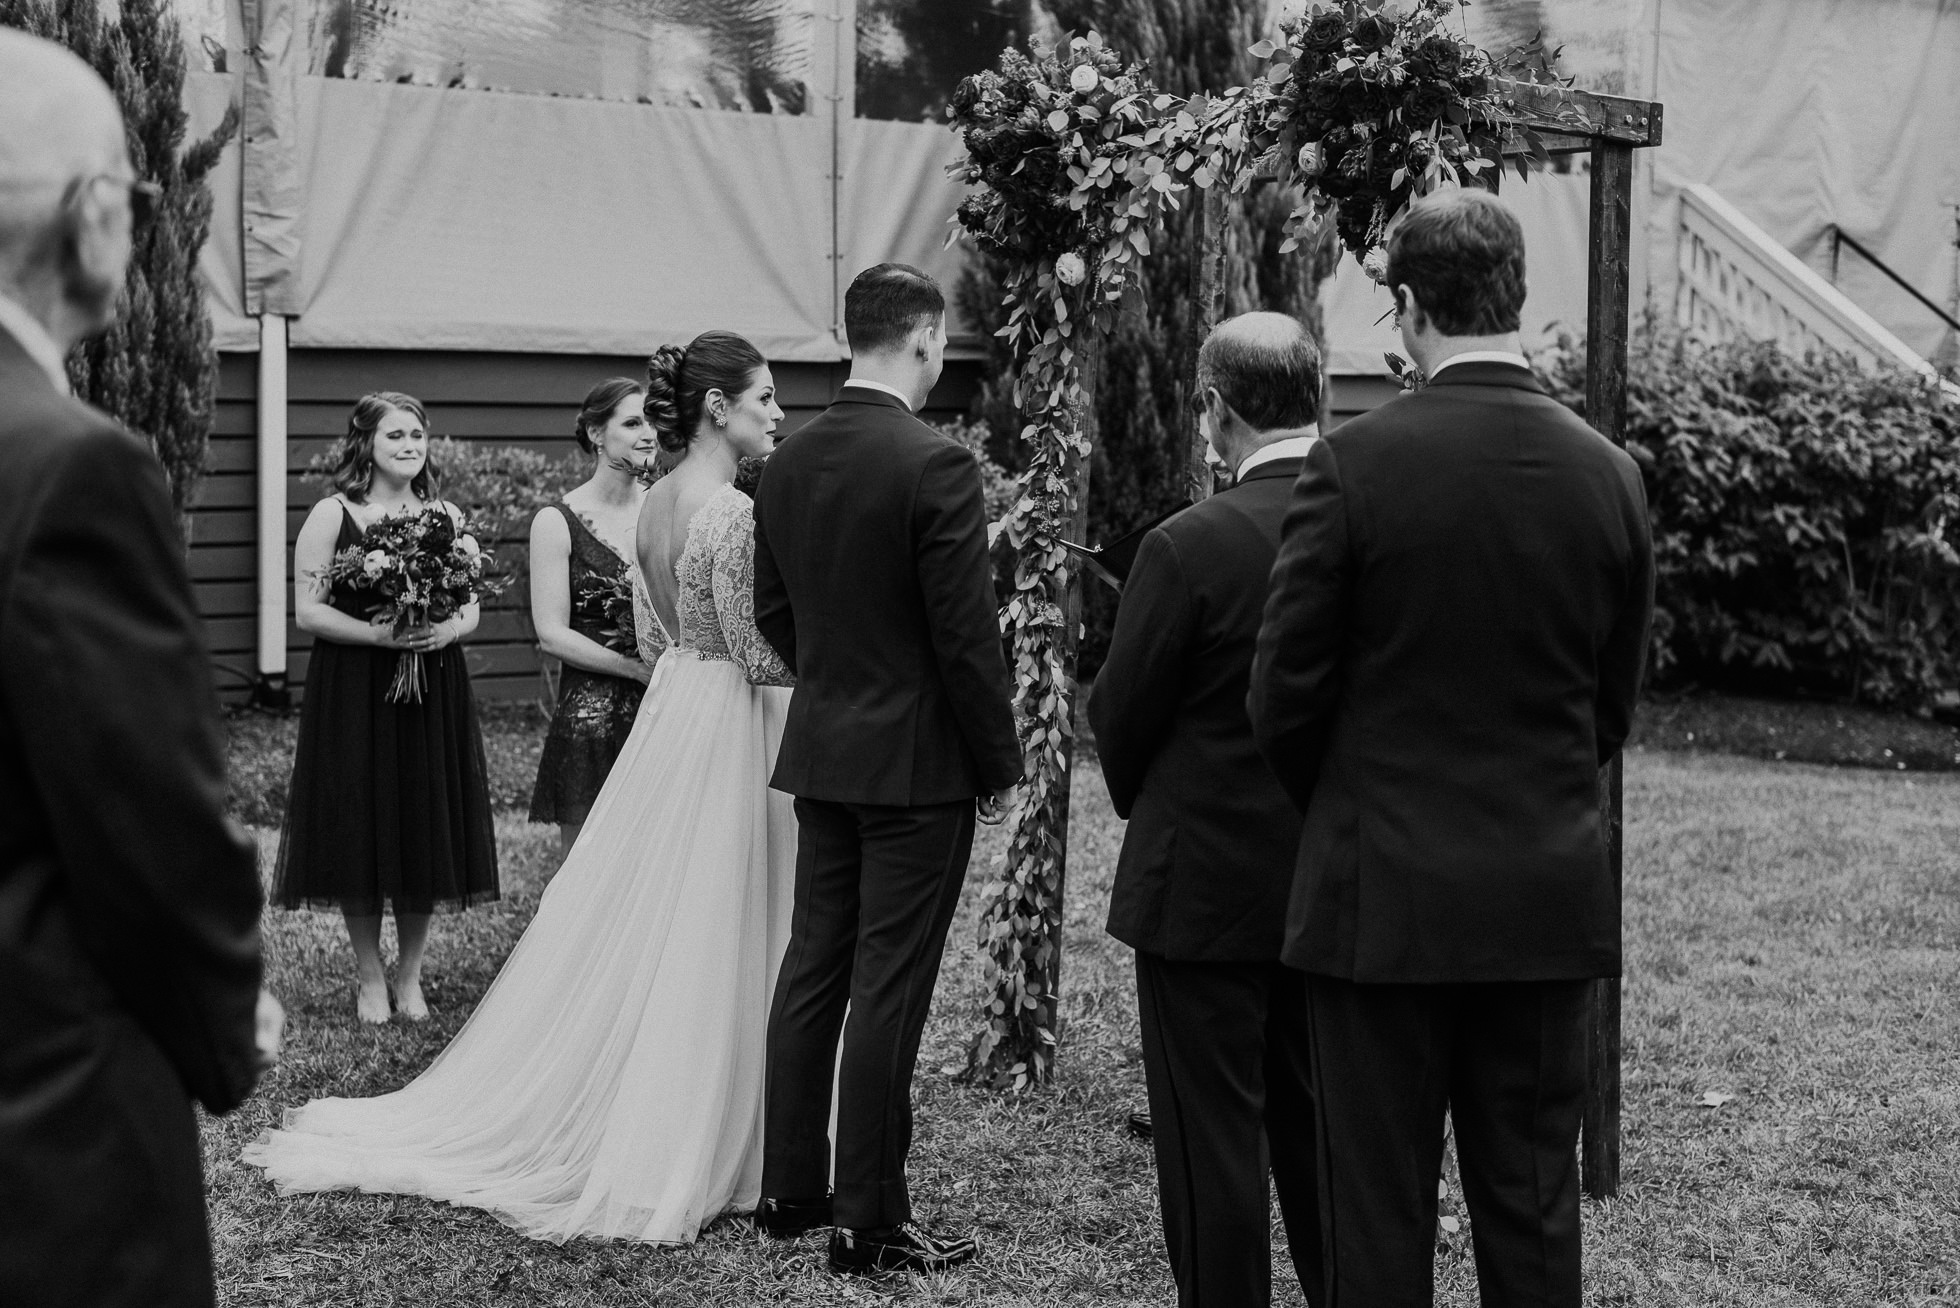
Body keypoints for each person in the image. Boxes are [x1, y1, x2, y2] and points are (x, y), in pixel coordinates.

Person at [244, 330, 798, 1245]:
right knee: (721, 911)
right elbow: (750, 649)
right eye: (767, 397)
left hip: (673, 711)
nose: (777, 412)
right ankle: (706, 1119)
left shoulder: (657, 501)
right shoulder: (729, 510)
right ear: (718, 406)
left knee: (666, 909)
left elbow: (660, 642)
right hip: (730, 714)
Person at [1248, 188, 1655, 1308]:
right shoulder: (1610, 477)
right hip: (1538, 897)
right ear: (1516, 298)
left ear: (1412, 306)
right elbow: (1609, 711)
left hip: (1378, 901)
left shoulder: (1353, 468)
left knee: (1374, 1210)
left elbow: (1281, 694)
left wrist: (1342, 804)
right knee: (1529, 1205)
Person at [0, 30, 280, 1308]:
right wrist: (227, 1028)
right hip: (45, 1132)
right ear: (93, 213)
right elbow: (150, 823)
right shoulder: (71, 468)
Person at [753, 263, 1023, 1275]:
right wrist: (997, 763)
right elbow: (965, 640)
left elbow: (775, 613)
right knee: (889, 988)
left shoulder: (785, 461)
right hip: (914, 770)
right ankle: (864, 1220)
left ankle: (790, 1190)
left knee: (814, 965)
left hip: (824, 749)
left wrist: (833, 681)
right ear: (925, 339)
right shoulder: (934, 465)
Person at [1088, 312, 1325, 1308]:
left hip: (1200, 893)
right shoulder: (1377, 528)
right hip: (1333, 881)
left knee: (1209, 1139)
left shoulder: (1187, 545)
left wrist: (1163, 805)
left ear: (1213, 411)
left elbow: (1119, 711)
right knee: (1328, 1136)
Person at [275, 392, 500, 1023]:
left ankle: (410, 976)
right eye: (395, 434)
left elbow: (471, 605)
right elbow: (308, 611)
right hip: (354, 686)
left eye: (418, 434)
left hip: (431, 682)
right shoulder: (333, 514)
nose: (409, 444)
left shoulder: (446, 515)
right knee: (361, 822)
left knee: (422, 819)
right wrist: (379, 635)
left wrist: (447, 631)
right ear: (366, 444)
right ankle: (369, 976)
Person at [527, 378, 660, 858]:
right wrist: (631, 668)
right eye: (632, 422)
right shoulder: (557, 521)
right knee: (585, 865)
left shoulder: (665, 509)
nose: (648, 433)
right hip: (592, 716)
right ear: (595, 433)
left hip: (665, 706)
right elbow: (551, 633)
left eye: (652, 421)